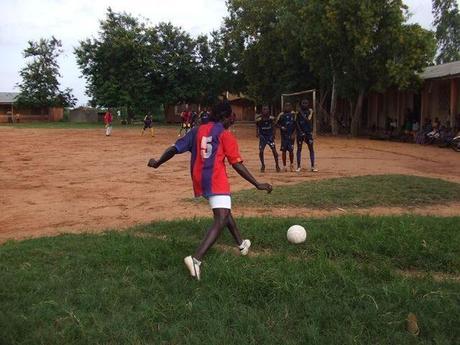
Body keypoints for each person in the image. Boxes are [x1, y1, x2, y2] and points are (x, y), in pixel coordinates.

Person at [147, 101, 272, 280]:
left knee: (224, 210)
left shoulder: (197, 130)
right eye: (231, 116)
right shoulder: (225, 134)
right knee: (221, 217)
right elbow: (236, 163)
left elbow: (175, 148)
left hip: (199, 179)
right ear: (225, 117)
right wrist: (257, 183)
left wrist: (158, 162)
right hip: (215, 179)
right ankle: (196, 259)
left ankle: (241, 243)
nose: (233, 119)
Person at [255, 105, 280, 172]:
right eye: (264, 109)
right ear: (262, 111)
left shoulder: (271, 118)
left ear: (268, 110)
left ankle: (277, 165)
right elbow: (257, 126)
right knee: (261, 151)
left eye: (266, 109)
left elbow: (274, 126)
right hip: (263, 137)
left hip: (270, 137)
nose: (265, 111)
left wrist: (274, 134)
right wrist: (257, 133)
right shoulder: (259, 119)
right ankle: (263, 165)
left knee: (274, 151)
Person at [295, 99, 318, 172]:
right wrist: (300, 132)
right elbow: (297, 123)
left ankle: (313, 166)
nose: (305, 104)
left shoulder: (310, 112)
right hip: (300, 134)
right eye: (303, 103)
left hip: (308, 133)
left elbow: (309, 120)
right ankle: (298, 166)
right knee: (299, 149)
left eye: (306, 103)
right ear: (301, 104)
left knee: (311, 149)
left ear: (308, 104)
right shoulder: (298, 112)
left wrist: (311, 112)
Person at [276, 102, 296, 172]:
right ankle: (284, 166)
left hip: (291, 136)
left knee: (291, 151)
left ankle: (292, 165)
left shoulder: (293, 114)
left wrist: (294, 134)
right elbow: (277, 124)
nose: (287, 107)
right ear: (284, 107)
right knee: (283, 151)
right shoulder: (281, 115)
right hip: (284, 136)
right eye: (286, 106)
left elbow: (296, 124)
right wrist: (281, 127)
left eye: (289, 106)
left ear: (291, 107)